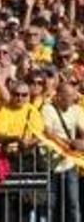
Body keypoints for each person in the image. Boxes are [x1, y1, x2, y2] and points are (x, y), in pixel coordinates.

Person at [42, 82, 84, 222]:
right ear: (59, 96)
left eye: (73, 95)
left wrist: (82, 142)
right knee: (50, 204)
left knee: (73, 203)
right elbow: (48, 132)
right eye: (70, 95)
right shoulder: (48, 109)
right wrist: (68, 143)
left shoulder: (76, 109)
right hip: (50, 163)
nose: (74, 98)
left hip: (69, 163)